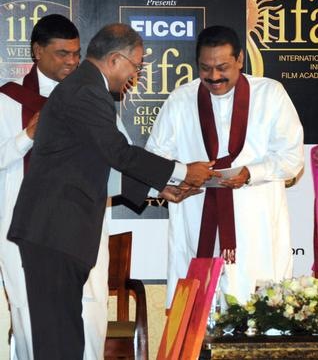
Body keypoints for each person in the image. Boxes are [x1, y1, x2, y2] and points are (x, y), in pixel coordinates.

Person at [6, 23, 213, 359]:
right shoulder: (86, 91)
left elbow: (95, 163)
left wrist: (159, 186)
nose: (136, 75)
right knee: (58, 343)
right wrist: (184, 170)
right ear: (116, 59)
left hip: (57, 234)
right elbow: (118, 152)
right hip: (54, 234)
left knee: (65, 339)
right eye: (137, 65)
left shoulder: (85, 88)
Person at [146, 25, 304, 308]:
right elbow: (152, 158)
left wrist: (250, 174)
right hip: (194, 219)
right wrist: (183, 174)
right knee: (196, 317)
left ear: (240, 59)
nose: (214, 76)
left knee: (258, 309)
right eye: (205, 68)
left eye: (222, 67)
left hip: (255, 226)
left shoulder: (270, 94)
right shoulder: (181, 99)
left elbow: (292, 159)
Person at [0, 14, 80, 359]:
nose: (72, 62)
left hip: (78, 227)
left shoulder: (89, 99)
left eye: (76, 54)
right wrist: (27, 136)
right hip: (24, 226)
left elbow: (117, 155)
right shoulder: (6, 101)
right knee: (30, 316)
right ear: (37, 51)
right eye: (62, 53)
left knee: (84, 319)